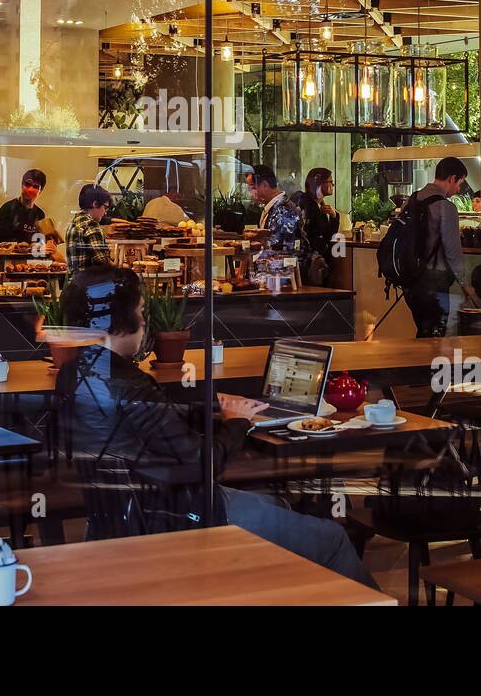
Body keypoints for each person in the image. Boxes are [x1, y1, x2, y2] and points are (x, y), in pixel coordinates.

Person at [56, 265, 378, 589]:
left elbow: (148, 429)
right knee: (333, 538)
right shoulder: (129, 384)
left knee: (275, 503)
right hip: (181, 520)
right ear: (119, 322)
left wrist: (211, 410)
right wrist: (237, 423)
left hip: (119, 520)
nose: (143, 322)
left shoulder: (72, 375)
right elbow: (203, 463)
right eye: (140, 311)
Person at [405, 157, 478, 338]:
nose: (458, 189)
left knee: (423, 331)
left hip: (410, 281)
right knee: (435, 336)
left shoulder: (412, 199)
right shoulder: (446, 207)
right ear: (452, 178)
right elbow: (452, 251)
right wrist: (464, 284)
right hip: (435, 282)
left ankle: (420, 364)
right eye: (459, 183)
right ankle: (429, 365)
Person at [291, 167, 339, 286]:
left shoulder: (318, 205)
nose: (332, 185)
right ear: (319, 183)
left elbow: (328, 235)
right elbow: (321, 235)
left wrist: (334, 216)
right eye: (330, 181)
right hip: (309, 263)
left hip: (311, 261)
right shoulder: (307, 205)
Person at [247, 164, 300, 253]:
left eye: (252, 188)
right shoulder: (272, 207)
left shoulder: (283, 209)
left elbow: (280, 249)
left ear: (264, 185)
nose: (250, 193)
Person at [0, 168, 47, 250]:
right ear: (22, 185)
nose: (30, 189)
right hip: (5, 259)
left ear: (40, 191)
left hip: (31, 261)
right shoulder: (7, 209)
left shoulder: (40, 214)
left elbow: (39, 245)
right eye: (27, 184)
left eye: (35, 186)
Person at [66, 184, 114, 273]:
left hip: (75, 283)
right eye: (105, 208)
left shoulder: (73, 223)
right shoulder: (91, 224)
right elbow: (100, 260)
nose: (105, 213)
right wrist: (119, 268)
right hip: (92, 283)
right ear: (95, 204)